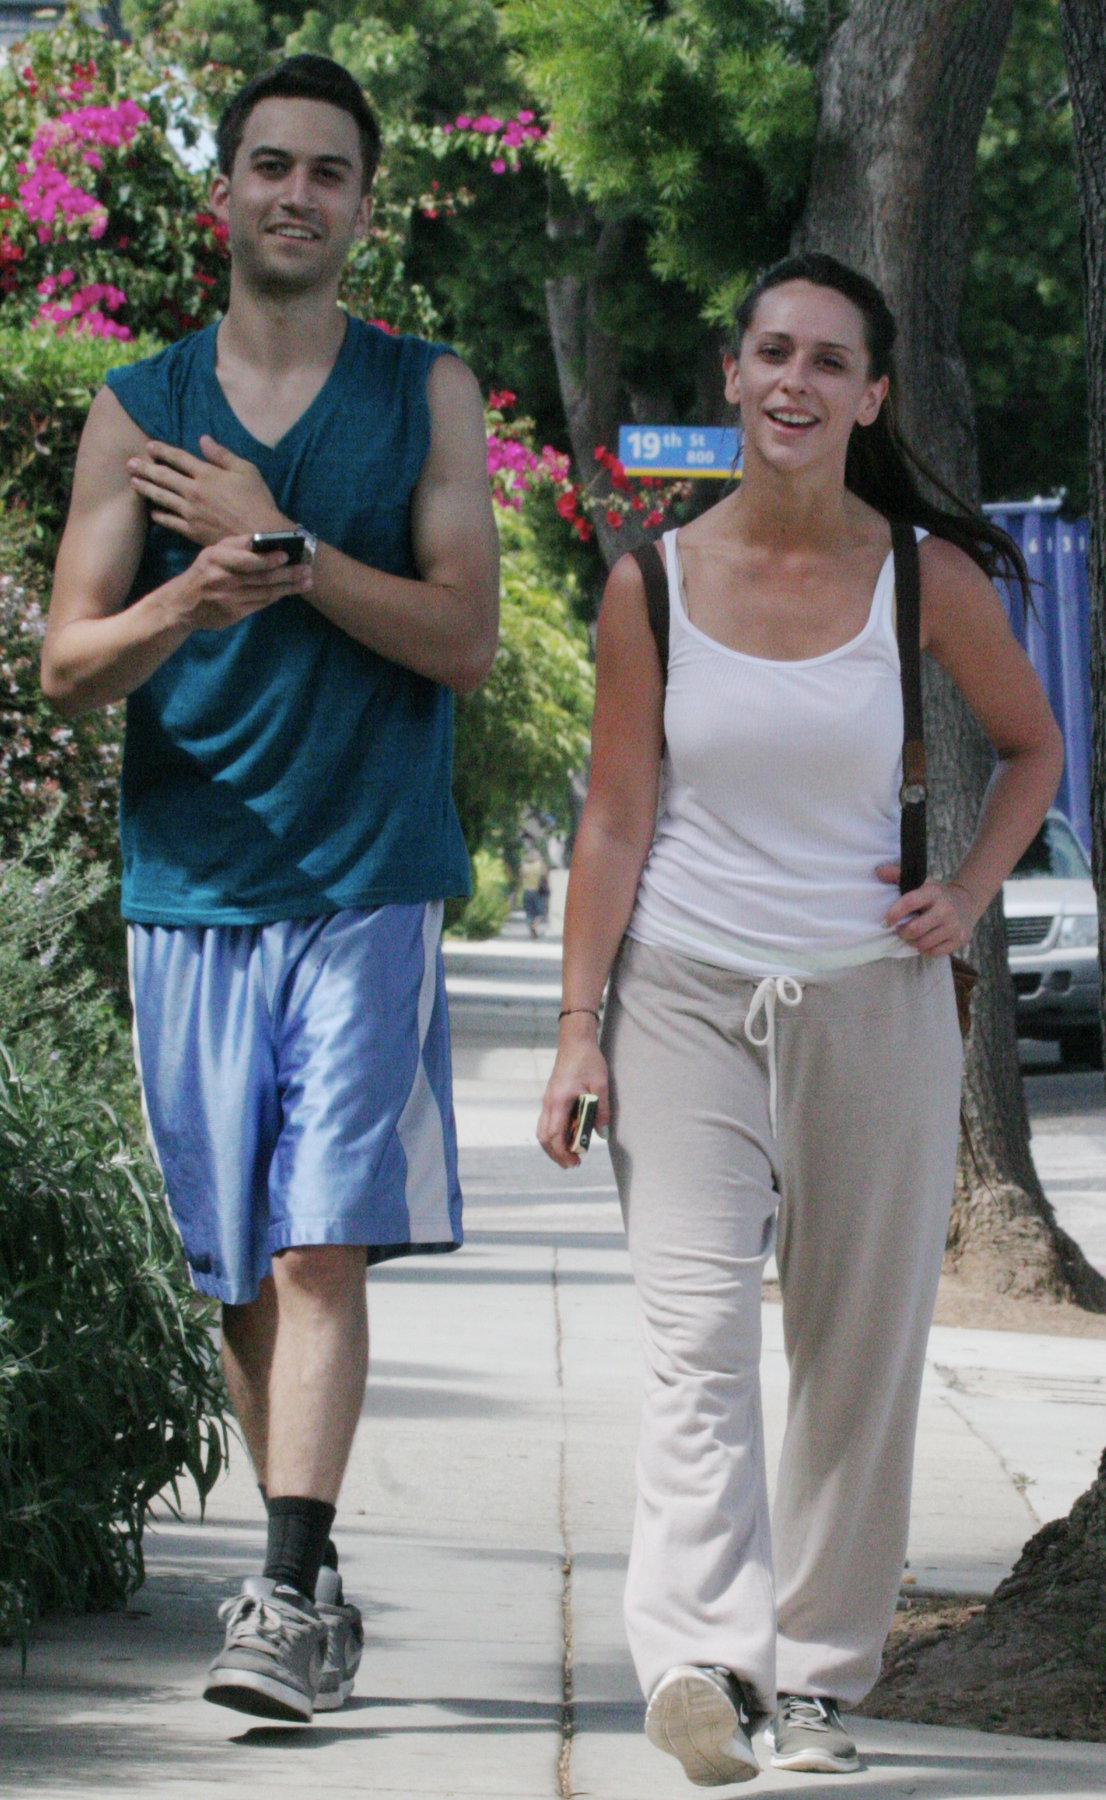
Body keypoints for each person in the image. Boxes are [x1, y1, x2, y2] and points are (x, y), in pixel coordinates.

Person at [537, 253, 1062, 1785]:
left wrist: (965, 893)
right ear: (731, 373)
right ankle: (704, 1664)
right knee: (694, 1341)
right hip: (680, 999)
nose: (794, 381)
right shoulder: (649, 584)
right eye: (772, 351)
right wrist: (577, 1024)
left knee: (855, 1355)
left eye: (829, 361)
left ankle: (820, 1684)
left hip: (871, 1003)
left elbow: (1028, 748)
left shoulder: (922, 579)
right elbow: (613, 821)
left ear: (869, 397)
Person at [41, 54, 499, 1725]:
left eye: (328, 172)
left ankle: (287, 1591)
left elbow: (463, 640)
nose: (297, 193)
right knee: (236, 1265)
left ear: (365, 208)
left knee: (318, 1244)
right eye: (271, 165)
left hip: (366, 872)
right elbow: (67, 668)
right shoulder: (139, 408)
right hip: (192, 882)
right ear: (223, 192)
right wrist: (195, 595)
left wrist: (291, 553)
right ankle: (311, 1573)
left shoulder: (426, 392)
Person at [519, 841, 549, 937]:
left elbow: (521, 877)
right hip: (537, 891)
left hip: (527, 891)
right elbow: (545, 876)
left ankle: (531, 929)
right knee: (540, 912)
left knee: (529, 912)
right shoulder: (540, 864)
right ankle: (534, 926)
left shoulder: (524, 866)